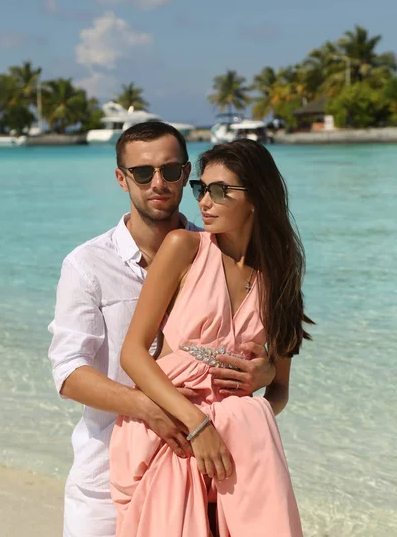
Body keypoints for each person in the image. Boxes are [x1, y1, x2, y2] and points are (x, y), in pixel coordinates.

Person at [48, 122, 278, 537]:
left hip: (198, 468)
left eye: (172, 171)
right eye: (142, 172)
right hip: (105, 474)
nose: (159, 183)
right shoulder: (87, 266)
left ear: (187, 172)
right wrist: (155, 409)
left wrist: (267, 374)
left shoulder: (213, 249)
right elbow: (68, 373)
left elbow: (262, 352)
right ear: (121, 179)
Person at [110, 139, 312, 537]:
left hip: (238, 453)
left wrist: (255, 403)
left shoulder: (280, 276)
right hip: (171, 433)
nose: (205, 201)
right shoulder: (184, 248)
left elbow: (281, 391)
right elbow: (133, 354)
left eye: (221, 191)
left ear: (256, 198)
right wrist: (199, 426)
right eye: (202, 188)